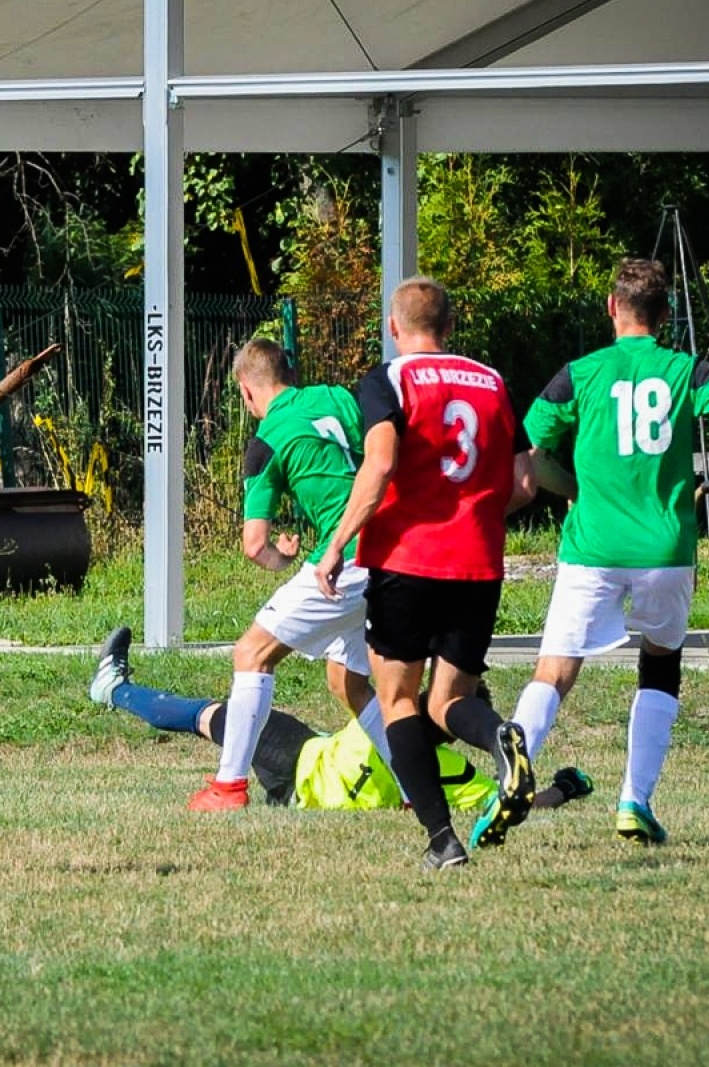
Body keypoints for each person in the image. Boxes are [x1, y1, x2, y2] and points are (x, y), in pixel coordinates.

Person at [514, 256, 709, 845]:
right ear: (665, 317)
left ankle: (512, 774)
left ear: (612, 308)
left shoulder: (578, 373)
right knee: (660, 665)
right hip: (665, 550)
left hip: (592, 549)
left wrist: (571, 486)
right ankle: (634, 801)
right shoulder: (689, 371)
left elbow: (527, 456)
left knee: (554, 671)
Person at [317, 277, 538, 870]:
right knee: (452, 699)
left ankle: (442, 840)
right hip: (478, 563)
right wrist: (472, 509)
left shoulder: (387, 379)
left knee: (398, 700)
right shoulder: (492, 382)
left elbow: (381, 463)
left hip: (407, 561)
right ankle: (499, 738)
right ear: (450, 325)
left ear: (394, 327)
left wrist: (338, 542)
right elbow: (524, 483)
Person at [160, 338, 392, 813]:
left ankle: (227, 788)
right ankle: (412, 790)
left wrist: (280, 559)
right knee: (346, 680)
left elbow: (253, 546)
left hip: (345, 559)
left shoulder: (265, 441)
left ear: (246, 392)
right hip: (395, 550)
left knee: (252, 653)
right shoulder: (336, 396)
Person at [89, 626, 593, 812]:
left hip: (298, 763)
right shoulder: (452, 772)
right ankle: (114, 687)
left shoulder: (388, 713)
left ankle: (116, 688)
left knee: (209, 715)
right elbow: (518, 796)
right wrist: (566, 788)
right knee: (213, 716)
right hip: (306, 757)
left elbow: (345, 681)